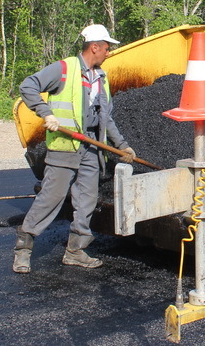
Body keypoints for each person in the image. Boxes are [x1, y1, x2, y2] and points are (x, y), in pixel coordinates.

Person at [12, 23, 136, 274]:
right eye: (107, 48)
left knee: (86, 200)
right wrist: (45, 113)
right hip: (64, 147)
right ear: (94, 47)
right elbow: (28, 86)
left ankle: (75, 251)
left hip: (91, 147)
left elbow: (106, 117)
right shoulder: (64, 69)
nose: (109, 53)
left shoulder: (101, 77)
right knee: (50, 199)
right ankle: (23, 251)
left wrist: (122, 146)